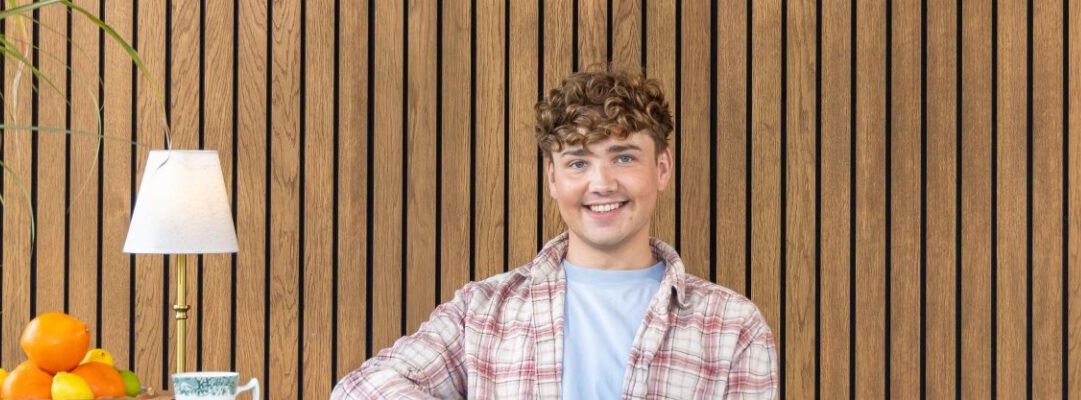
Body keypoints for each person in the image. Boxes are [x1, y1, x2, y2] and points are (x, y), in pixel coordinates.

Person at [332, 65, 778, 399]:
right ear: (552, 178)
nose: (601, 183)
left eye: (624, 157)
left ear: (662, 169)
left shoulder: (733, 328)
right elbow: (359, 390)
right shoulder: (482, 312)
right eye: (578, 162)